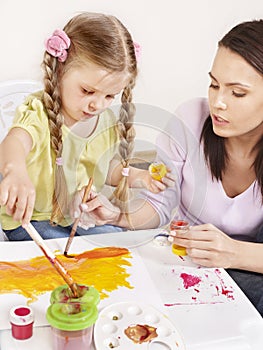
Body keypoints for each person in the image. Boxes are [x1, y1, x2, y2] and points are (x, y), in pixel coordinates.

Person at [83, 19, 263, 315]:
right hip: (179, 261)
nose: (218, 102)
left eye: (238, 93)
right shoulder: (190, 119)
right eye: (214, 84)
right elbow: (159, 203)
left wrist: (233, 252)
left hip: (246, 270)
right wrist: (116, 215)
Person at [0, 12, 173, 241]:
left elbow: (107, 168)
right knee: (58, 259)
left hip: (74, 218)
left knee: (115, 244)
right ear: (60, 71)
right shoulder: (39, 112)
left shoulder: (107, 123)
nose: (98, 105)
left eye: (110, 95)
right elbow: (15, 142)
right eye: (87, 91)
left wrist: (140, 177)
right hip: (30, 220)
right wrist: (15, 172)